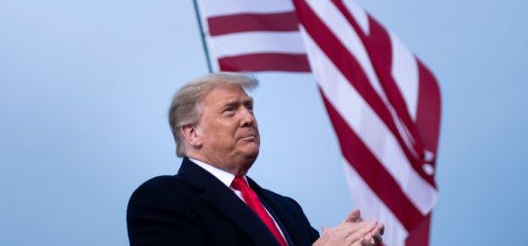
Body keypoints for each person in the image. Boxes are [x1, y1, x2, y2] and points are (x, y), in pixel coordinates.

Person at [127, 73, 384, 246]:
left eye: (249, 107)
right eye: (230, 110)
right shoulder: (161, 199)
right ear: (193, 133)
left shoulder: (286, 209)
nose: (248, 118)